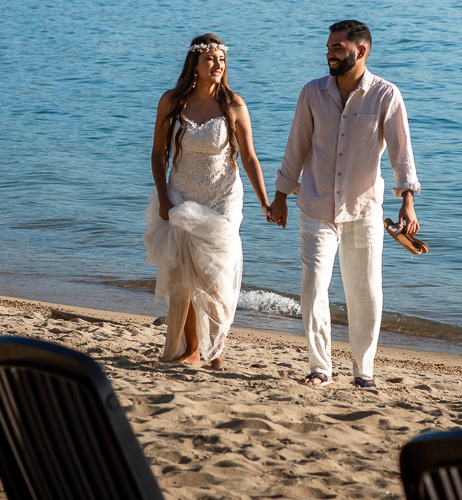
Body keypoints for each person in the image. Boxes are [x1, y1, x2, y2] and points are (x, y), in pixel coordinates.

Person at [270, 20, 420, 388]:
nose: (330, 53)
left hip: (364, 209)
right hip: (316, 204)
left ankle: (363, 371)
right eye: (329, 47)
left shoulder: (386, 95)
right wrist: (280, 196)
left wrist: (408, 202)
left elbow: (402, 155)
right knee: (313, 287)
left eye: (338, 47)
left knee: (365, 293)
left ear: (361, 51)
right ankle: (320, 367)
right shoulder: (312, 92)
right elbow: (296, 146)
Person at [145, 33, 272, 371]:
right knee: (183, 278)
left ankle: (216, 349)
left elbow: (249, 158)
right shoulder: (172, 101)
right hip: (181, 195)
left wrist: (264, 200)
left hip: (222, 198)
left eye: (222, 60)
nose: (218, 65)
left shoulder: (234, 104)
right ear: (195, 65)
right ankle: (192, 349)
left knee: (217, 275)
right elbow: (158, 155)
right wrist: (162, 198)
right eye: (211, 59)